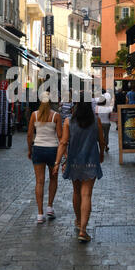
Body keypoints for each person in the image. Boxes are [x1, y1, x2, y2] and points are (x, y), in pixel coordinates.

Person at [53, 93, 105, 243]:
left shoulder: (69, 121)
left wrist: (57, 163)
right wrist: (101, 154)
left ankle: (78, 220)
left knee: (76, 192)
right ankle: (83, 229)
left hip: (74, 161)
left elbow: (63, 143)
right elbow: (101, 141)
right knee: (86, 194)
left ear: (75, 105)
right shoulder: (96, 121)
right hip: (91, 161)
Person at [27, 92, 62, 224]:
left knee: (39, 181)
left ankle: (40, 214)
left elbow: (30, 135)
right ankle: (50, 207)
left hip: (38, 149)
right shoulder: (56, 116)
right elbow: (60, 135)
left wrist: (30, 150)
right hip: (52, 150)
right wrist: (64, 153)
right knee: (53, 179)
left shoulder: (34, 115)